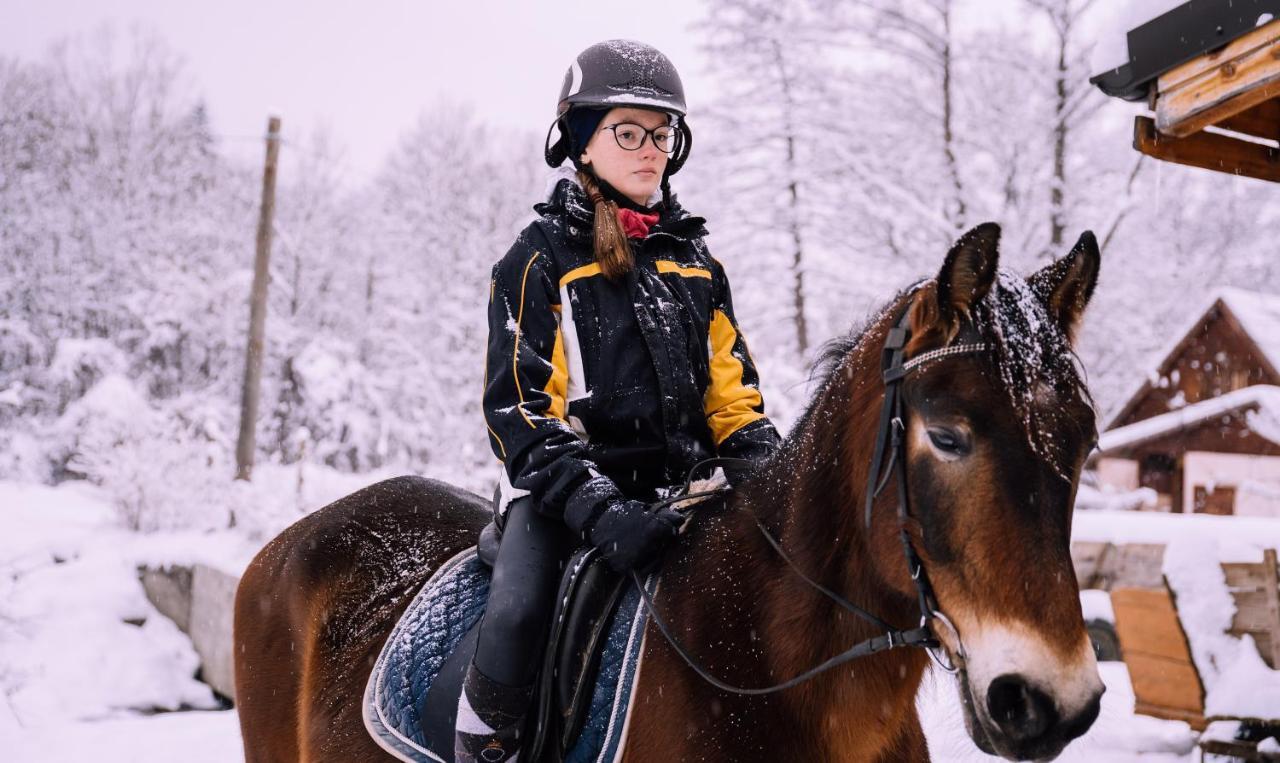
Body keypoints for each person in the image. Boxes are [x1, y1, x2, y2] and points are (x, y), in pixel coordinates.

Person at [456, 39, 781, 763]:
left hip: (686, 497)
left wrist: (784, 484)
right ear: (581, 141)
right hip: (565, 500)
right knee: (515, 613)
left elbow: (735, 404)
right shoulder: (539, 259)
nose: (651, 150)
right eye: (628, 133)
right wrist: (603, 510)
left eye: (661, 135)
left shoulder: (698, 264)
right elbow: (523, 414)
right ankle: (488, 744)